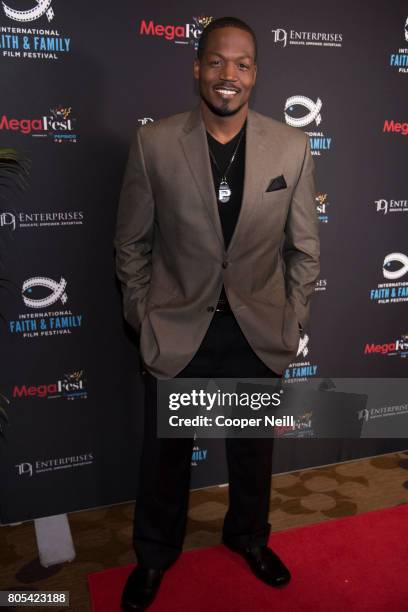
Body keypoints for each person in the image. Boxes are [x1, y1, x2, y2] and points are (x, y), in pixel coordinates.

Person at [114, 16, 320, 611]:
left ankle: (249, 537)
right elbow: (131, 244)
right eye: (217, 61)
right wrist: (143, 315)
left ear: (256, 73)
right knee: (165, 460)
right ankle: (154, 556)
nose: (229, 75)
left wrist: (292, 317)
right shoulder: (154, 143)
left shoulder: (292, 146)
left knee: (253, 453)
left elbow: (303, 249)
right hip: (179, 328)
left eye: (243, 63)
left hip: (256, 332)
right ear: (197, 67)